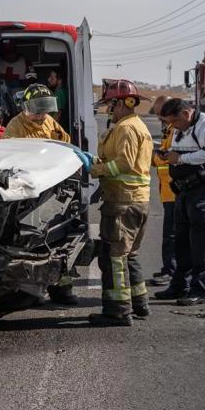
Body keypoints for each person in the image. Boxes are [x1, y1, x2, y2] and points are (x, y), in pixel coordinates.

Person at [1, 84, 78, 306]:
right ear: (26, 107)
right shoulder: (16, 126)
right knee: (33, 241)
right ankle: (32, 291)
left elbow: (65, 143)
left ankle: (62, 289)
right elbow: (11, 159)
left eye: (45, 110)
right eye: (37, 110)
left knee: (60, 238)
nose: (41, 115)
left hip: (53, 191)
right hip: (31, 194)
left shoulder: (50, 123)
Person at [87, 80, 154, 326]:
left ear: (121, 103)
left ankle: (118, 311)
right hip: (137, 201)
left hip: (122, 202)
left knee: (114, 257)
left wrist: (94, 170)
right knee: (129, 255)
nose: (108, 109)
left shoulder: (126, 128)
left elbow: (123, 164)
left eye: (110, 104)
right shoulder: (137, 126)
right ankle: (140, 304)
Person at [154, 98, 205, 306]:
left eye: (174, 122)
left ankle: (199, 290)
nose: (173, 127)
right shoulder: (179, 128)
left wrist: (181, 160)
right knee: (181, 240)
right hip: (183, 190)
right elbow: (179, 152)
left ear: (186, 114)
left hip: (204, 191)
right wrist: (167, 155)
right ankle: (179, 286)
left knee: (202, 243)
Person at [148, 95, 176, 285]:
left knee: (172, 235)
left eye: (160, 115)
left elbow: (169, 156)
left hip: (175, 191)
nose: (158, 118)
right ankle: (169, 269)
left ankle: (171, 271)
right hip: (168, 191)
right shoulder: (168, 129)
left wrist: (154, 157)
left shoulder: (175, 130)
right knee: (170, 234)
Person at [3, 84, 71, 142]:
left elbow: (67, 141)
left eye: (43, 112)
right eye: (36, 113)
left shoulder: (49, 120)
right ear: (25, 109)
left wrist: (60, 137)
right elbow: (9, 149)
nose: (40, 117)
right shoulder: (15, 126)